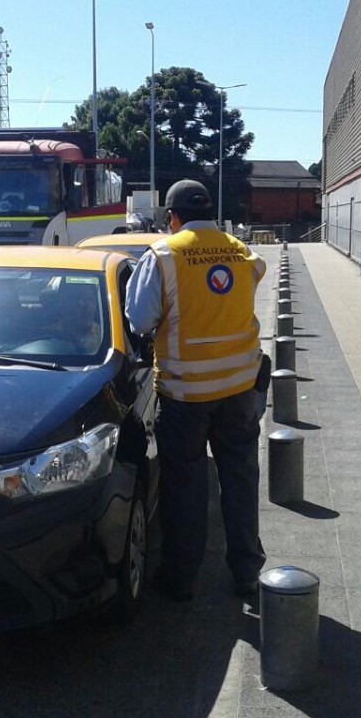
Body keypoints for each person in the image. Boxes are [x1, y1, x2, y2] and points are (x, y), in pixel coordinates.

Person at [125, 179, 267, 602]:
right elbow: (256, 273)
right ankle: (245, 572)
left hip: (186, 394)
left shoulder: (166, 255)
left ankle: (182, 578)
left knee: (185, 485)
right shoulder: (241, 251)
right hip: (240, 388)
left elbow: (138, 320)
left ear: (173, 216)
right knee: (240, 480)